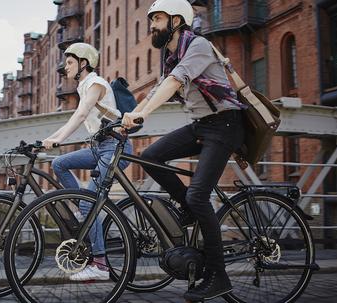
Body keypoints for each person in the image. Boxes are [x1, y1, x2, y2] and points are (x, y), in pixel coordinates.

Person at [122, 0, 246, 301]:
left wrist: (143, 115)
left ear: (177, 20)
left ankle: (218, 276)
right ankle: (189, 208)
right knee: (149, 156)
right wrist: (126, 120)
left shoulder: (199, 46)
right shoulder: (172, 55)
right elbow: (158, 89)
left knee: (198, 193)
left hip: (225, 125)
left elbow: (176, 82)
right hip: (202, 125)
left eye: (158, 19)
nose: (152, 25)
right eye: (152, 19)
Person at [42, 42, 132, 281]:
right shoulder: (84, 86)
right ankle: (83, 209)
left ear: (84, 63)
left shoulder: (95, 83)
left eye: (70, 62)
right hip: (101, 148)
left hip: (114, 149)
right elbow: (80, 118)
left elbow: (80, 115)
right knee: (59, 164)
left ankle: (101, 264)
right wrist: (50, 139)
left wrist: (58, 138)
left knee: (87, 204)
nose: (65, 67)